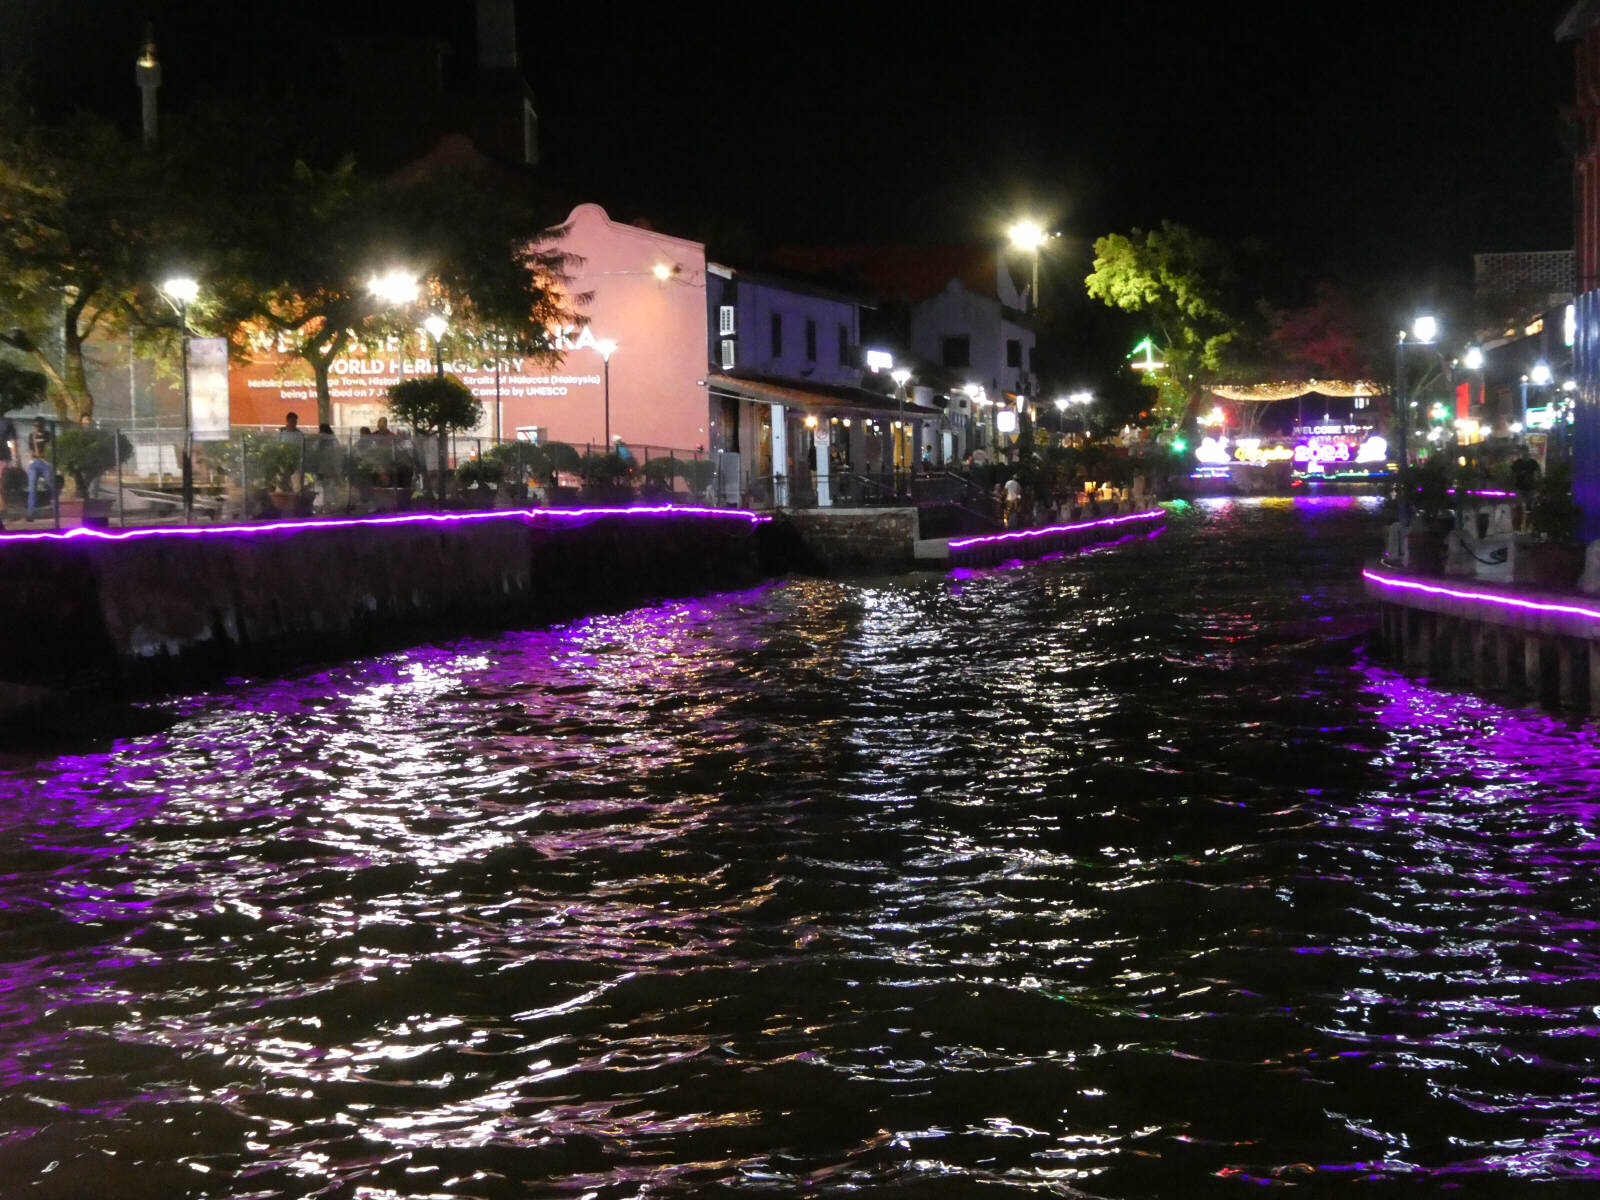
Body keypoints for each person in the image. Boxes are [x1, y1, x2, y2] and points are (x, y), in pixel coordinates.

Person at [25, 418, 52, 521]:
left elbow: (49, 448)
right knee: (32, 488)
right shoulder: (32, 436)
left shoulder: (48, 435)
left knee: (50, 482)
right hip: (35, 462)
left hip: (45, 462)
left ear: (43, 426)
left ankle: (55, 506)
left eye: (40, 426)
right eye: (36, 426)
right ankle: (30, 513)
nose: (38, 428)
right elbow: (31, 451)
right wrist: (32, 456)